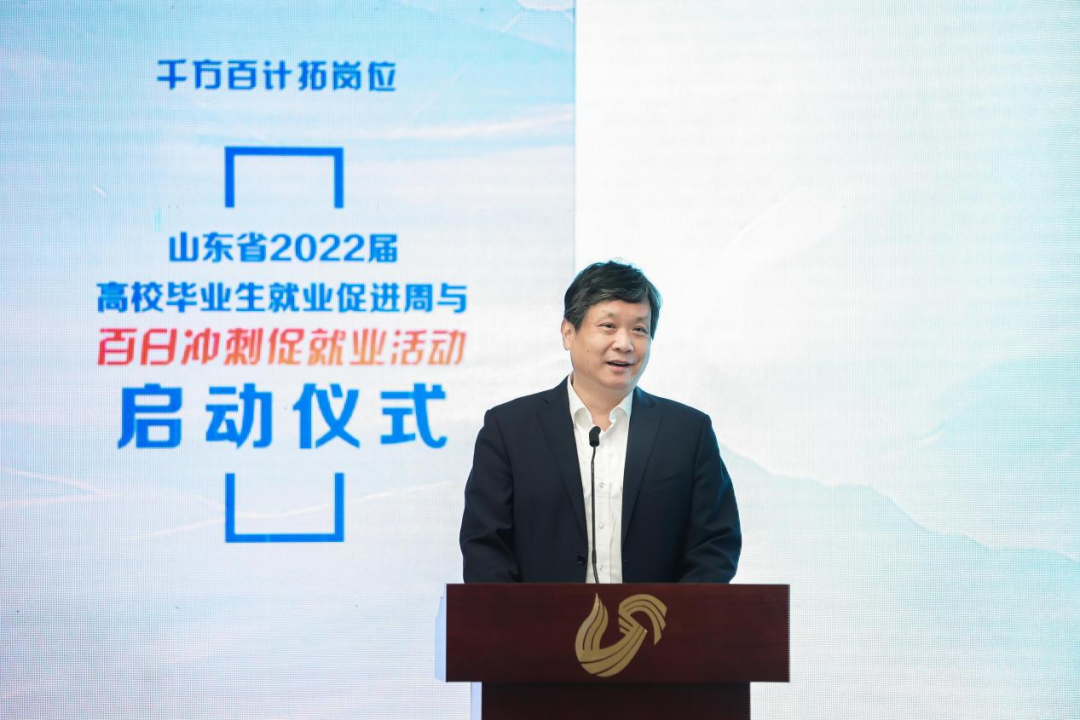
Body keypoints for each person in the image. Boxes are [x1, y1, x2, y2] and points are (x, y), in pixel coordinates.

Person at [459, 261, 740, 583]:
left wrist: (674, 612)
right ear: (568, 333)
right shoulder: (509, 430)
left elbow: (715, 544)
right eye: (608, 326)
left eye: (639, 329)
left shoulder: (688, 432)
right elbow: (485, 546)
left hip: (656, 616)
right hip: (538, 617)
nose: (624, 343)